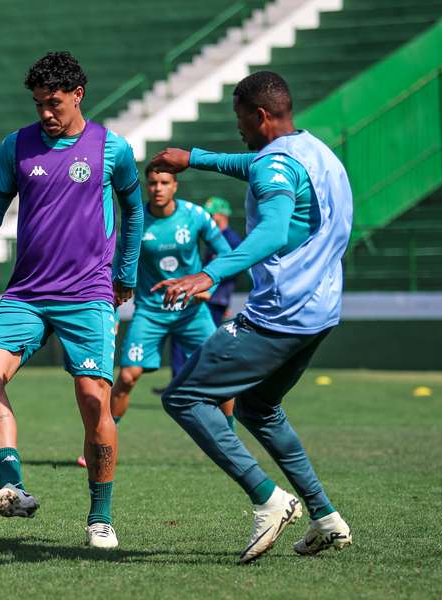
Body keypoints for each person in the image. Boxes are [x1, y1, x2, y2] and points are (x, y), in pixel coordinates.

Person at [150, 71, 353, 563]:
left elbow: (271, 230)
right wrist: (195, 159)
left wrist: (210, 274)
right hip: (321, 311)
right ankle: (325, 517)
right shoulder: (312, 151)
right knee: (260, 408)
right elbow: (257, 164)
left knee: (184, 397)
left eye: (240, 117)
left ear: (259, 115)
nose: (237, 127)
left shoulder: (274, 167)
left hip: (280, 314)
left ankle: (268, 499)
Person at [0, 51, 143, 549]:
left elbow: (133, 207)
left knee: (91, 400)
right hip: (27, 292)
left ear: (78, 95)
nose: (45, 112)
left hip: (87, 293)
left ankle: (100, 517)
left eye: (54, 102)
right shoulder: (16, 145)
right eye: (39, 103)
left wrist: (124, 272)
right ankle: (12, 485)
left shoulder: (112, 148)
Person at [99, 166, 237, 449]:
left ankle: (232, 441)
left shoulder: (195, 216)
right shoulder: (136, 222)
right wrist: (111, 311)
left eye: (164, 182)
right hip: (151, 313)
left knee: (222, 376)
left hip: (192, 312)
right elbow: (118, 269)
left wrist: (206, 287)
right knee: (126, 377)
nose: (158, 188)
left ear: (175, 186)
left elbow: (227, 254)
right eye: (152, 183)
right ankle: (103, 444)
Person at [162, 196, 243, 380]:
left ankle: (203, 384)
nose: (209, 218)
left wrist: (218, 296)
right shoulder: (215, 238)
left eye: (212, 214)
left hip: (213, 299)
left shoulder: (230, 239)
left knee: (207, 345)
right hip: (205, 297)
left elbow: (230, 271)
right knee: (182, 340)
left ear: (222, 215)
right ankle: (180, 381)